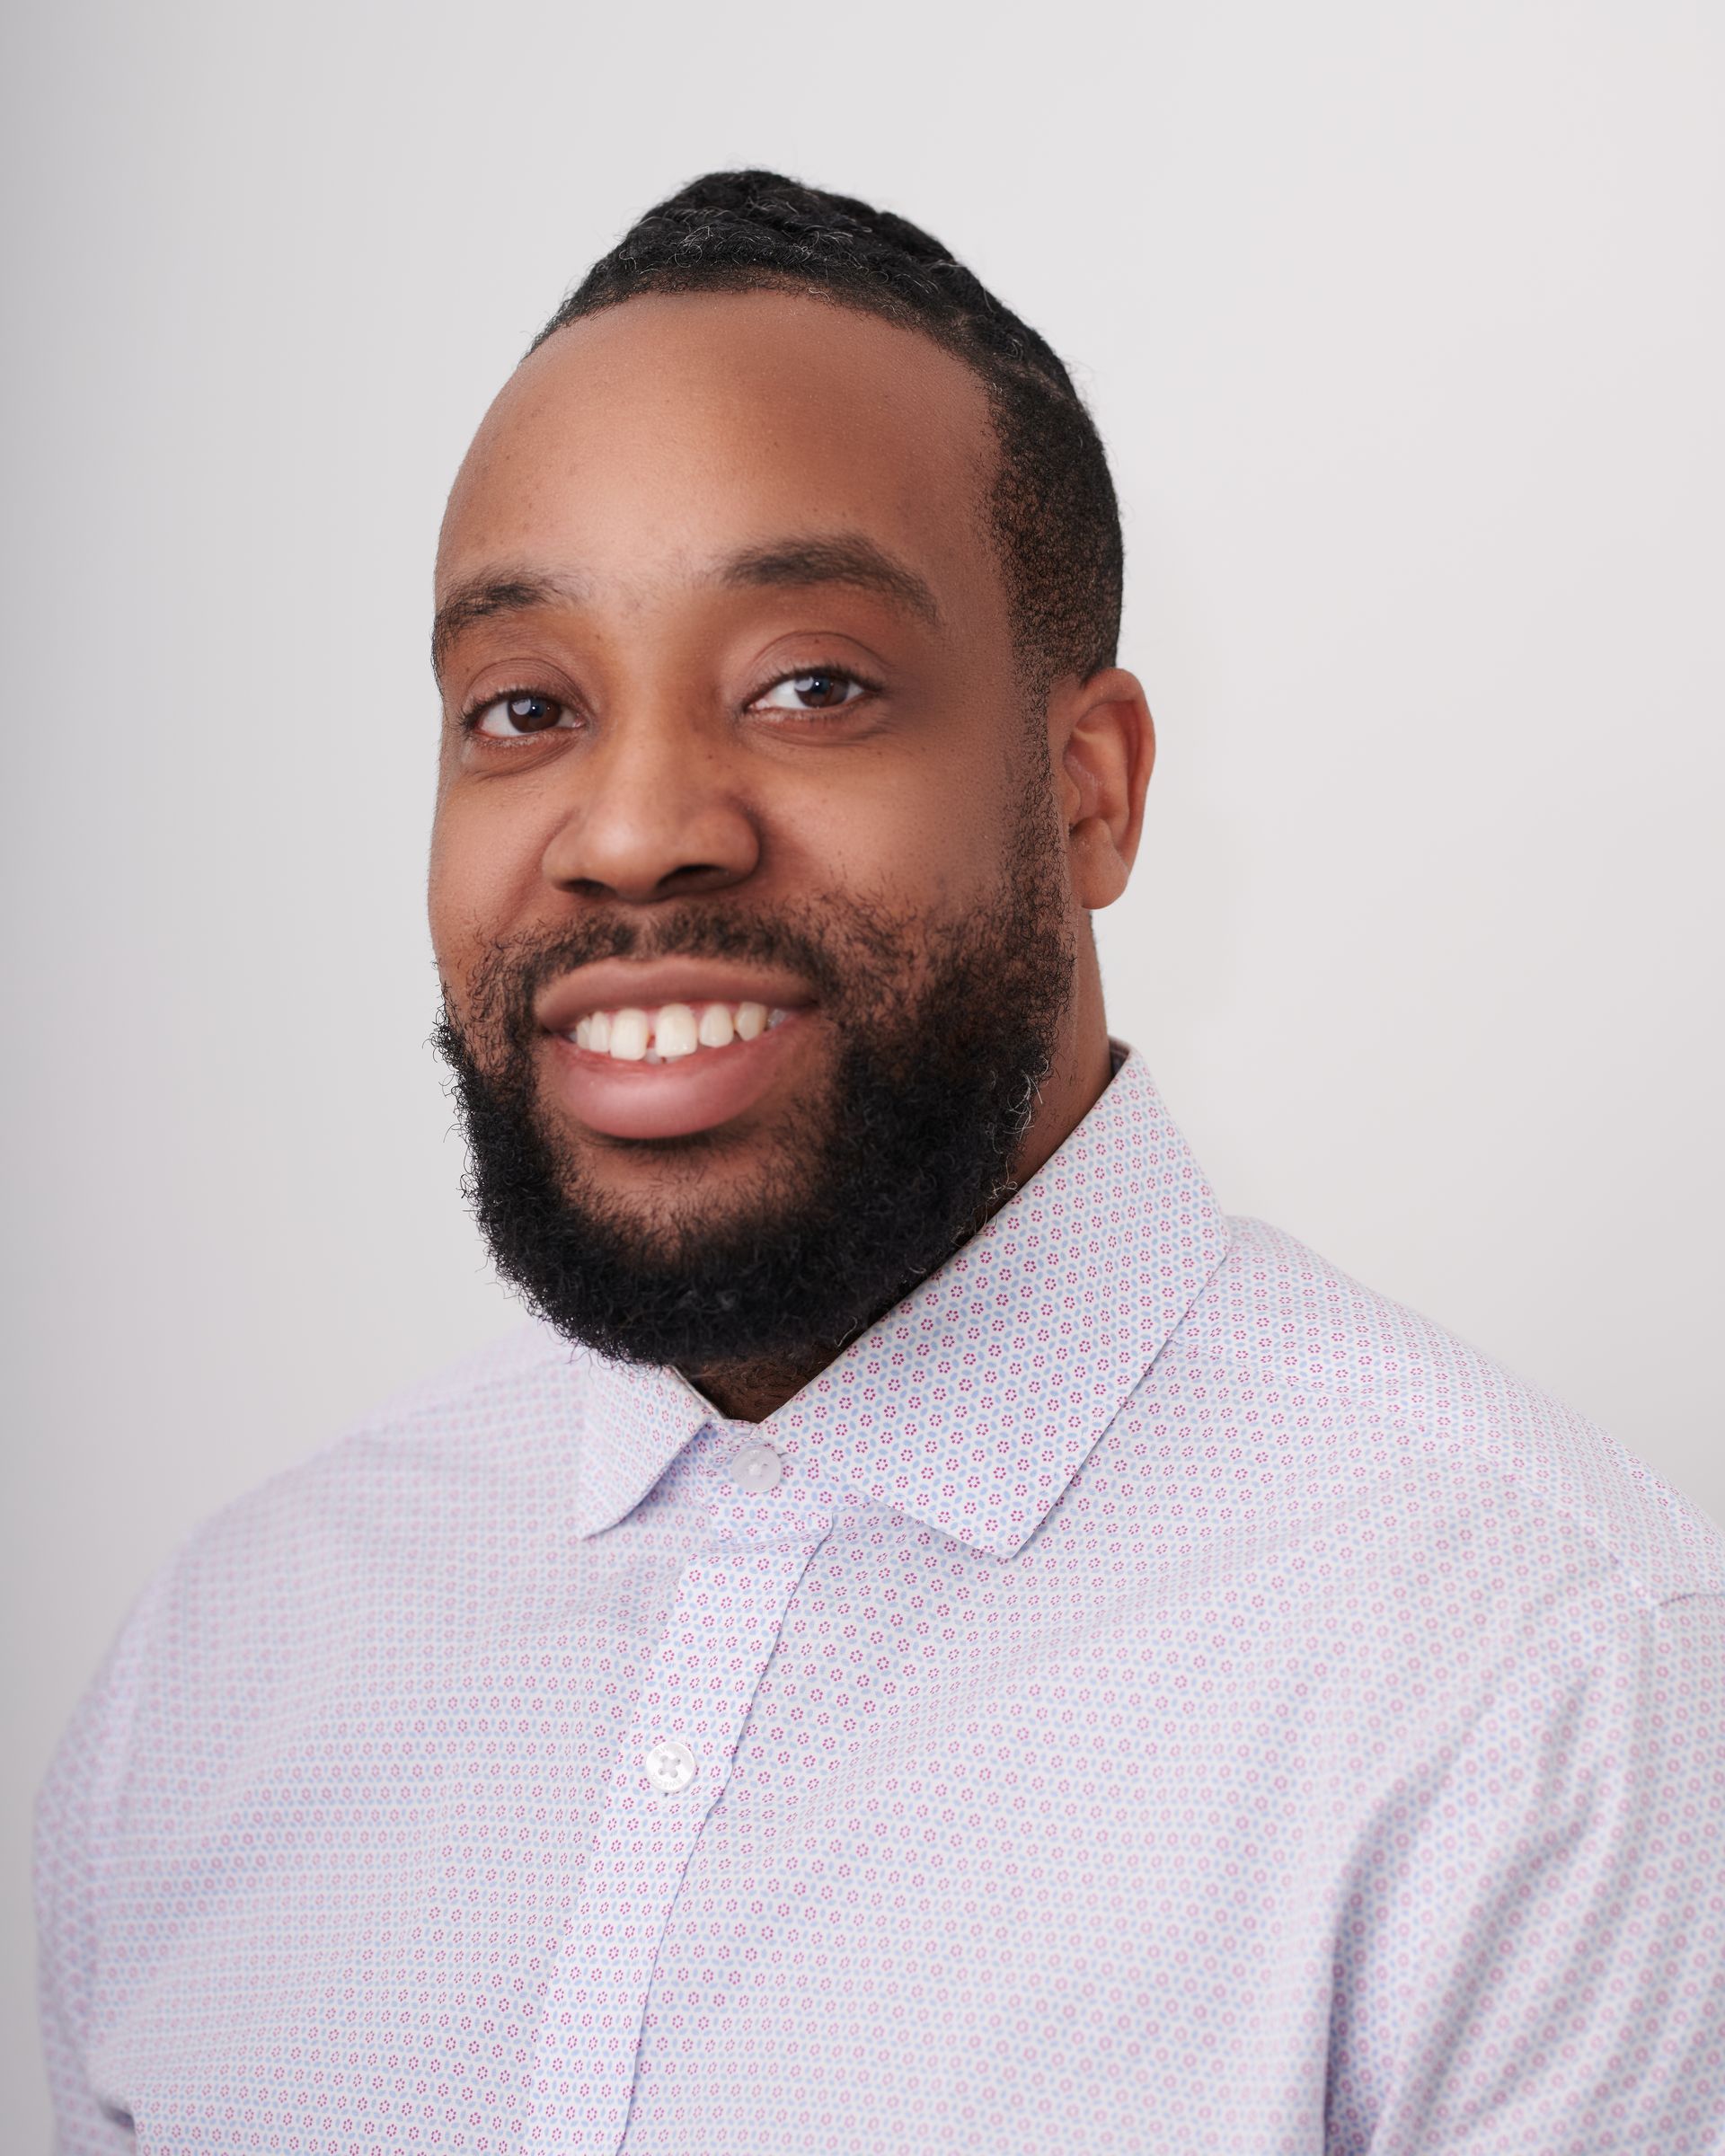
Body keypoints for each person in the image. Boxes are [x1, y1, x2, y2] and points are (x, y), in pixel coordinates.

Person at [36, 171, 1725, 2155]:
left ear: (1087, 793)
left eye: (811, 684)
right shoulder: (222, 1675)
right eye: (524, 708)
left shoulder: (1534, 1687)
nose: (633, 825)